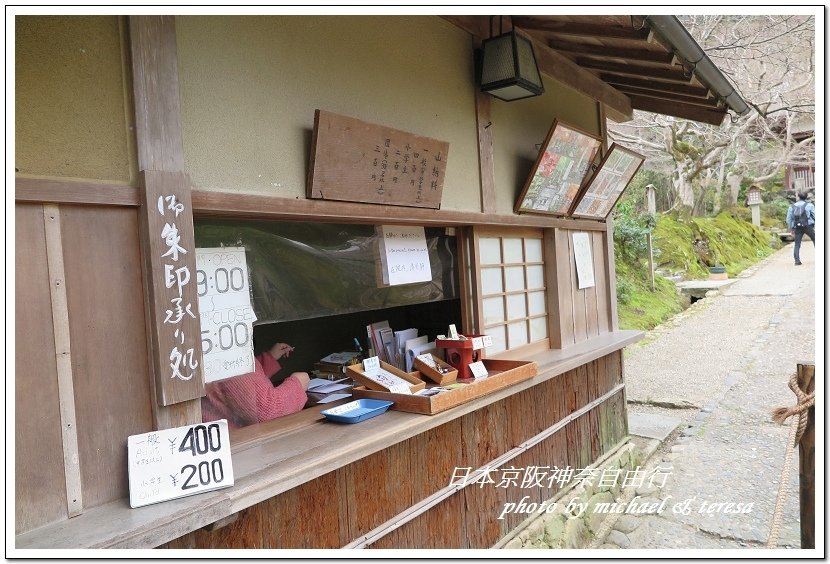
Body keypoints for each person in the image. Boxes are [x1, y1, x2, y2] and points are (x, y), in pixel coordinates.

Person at [202, 342, 310, 429]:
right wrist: (298, 384)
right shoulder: (228, 353)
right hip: (238, 447)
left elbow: (240, 387)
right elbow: (268, 411)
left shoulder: (208, 345)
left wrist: (268, 359)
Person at [786, 191, 816, 266]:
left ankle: (797, 261)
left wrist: (791, 228)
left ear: (799, 197)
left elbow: (789, 219)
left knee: (797, 244)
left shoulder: (792, 206)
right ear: (806, 197)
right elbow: (815, 216)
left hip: (797, 227)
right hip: (808, 226)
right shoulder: (810, 205)